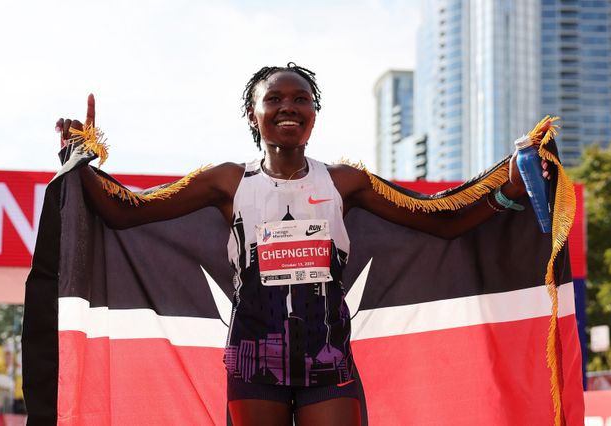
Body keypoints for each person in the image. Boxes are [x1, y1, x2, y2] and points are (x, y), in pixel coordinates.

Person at [55, 63, 551, 426]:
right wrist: (79, 155)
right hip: (253, 358)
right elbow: (127, 211)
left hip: (327, 357)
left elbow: (441, 220)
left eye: (301, 99)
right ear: (253, 114)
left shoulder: (345, 182)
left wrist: (507, 187)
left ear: (314, 114)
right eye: (274, 99)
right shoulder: (227, 181)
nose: (288, 107)